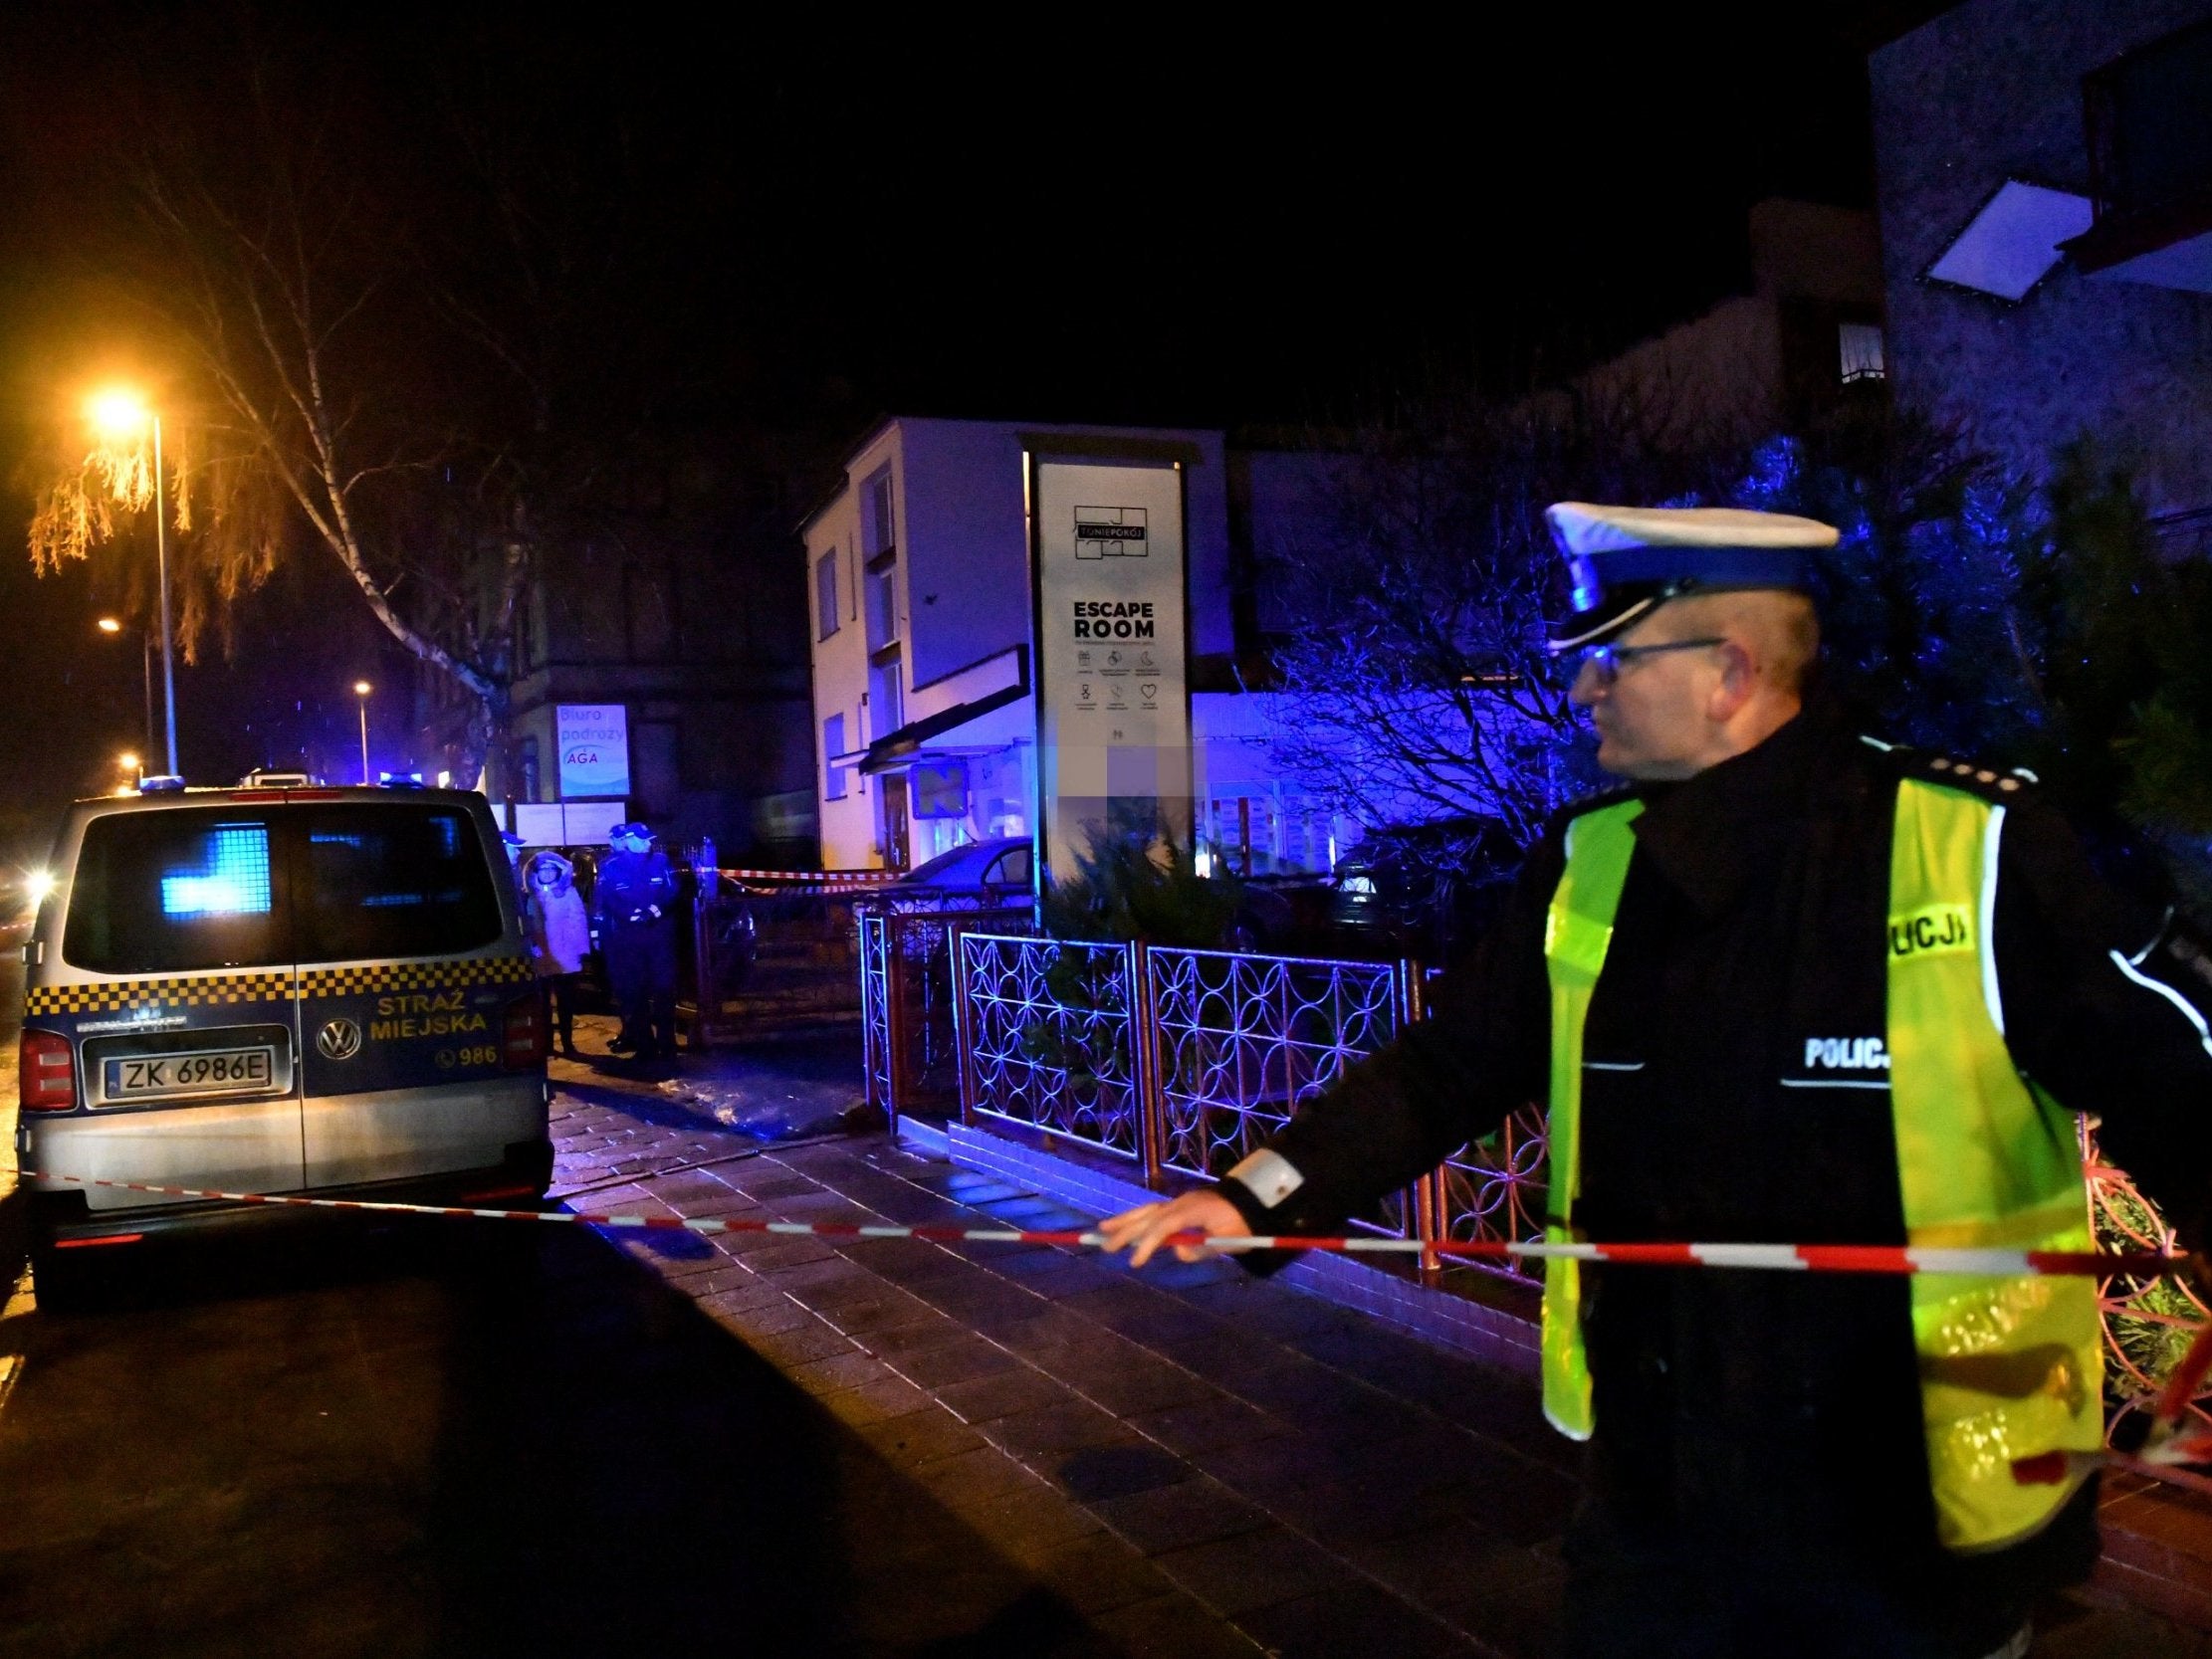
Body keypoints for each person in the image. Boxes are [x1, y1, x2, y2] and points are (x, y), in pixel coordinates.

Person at [1102, 502, 2212, 1659]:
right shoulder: (1588, 862)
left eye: (1610, 657)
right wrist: (1254, 1194)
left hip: (1912, 1518)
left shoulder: (1973, 845)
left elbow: (2176, 1079)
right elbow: (1447, 1062)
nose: (1583, 689)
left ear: (1726, 670)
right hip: (1658, 1505)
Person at [592, 821, 680, 1060]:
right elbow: (605, 898)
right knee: (635, 992)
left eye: (648, 840)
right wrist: (628, 916)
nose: (647, 844)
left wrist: (654, 911)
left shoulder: (660, 861)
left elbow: (672, 890)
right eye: (642, 840)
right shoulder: (611, 866)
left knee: (664, 992)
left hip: (658, 937)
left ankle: (668, 1045)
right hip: (628, 939)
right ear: (629, 840)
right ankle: (645, 1046)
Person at [522, 850, 589, 1059]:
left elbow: (579, 920)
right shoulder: (530, 896)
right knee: (542, 1006)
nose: (548, 873)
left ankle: (568, 1044)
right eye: (543, 869)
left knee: (565, 1004)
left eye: (552, 869)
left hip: (565, 957)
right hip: (541, 957)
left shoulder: (568, 892)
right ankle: (547, 1045)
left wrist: (581, 949)